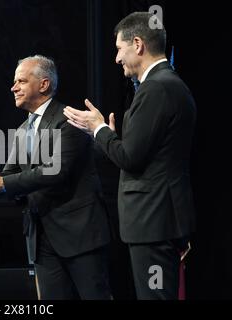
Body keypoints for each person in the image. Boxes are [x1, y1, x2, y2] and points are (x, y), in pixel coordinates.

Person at [63, 12, 196, 299]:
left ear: (137, 44)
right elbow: (146, 155)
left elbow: (130, 158)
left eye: (119, 49)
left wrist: (97, 128)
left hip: (153, 224)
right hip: (161, 222)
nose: (116, 59)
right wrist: (105, 137)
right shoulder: (169, 84)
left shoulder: (156, 88)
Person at [0, 55, 111, 300]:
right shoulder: (24, 129)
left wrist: (2, 183)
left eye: (21, 81)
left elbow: (55, 170)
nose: (13, 87)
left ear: (43, 85)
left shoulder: (68, 119)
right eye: (14, 82)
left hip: (79, 235)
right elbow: (10, 174)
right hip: (41, 237)